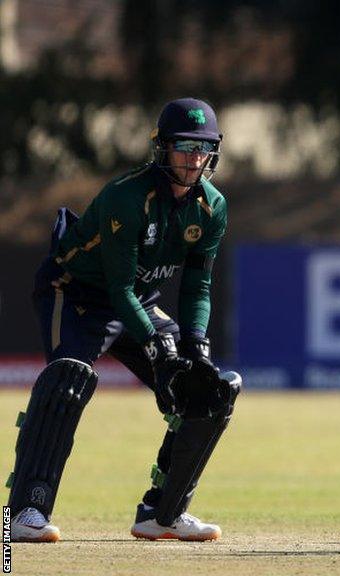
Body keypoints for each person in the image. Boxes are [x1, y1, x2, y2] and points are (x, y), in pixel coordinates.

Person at [7, 97, 241, 543]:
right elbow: (118, 289)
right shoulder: (126, 197)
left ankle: (162, 514)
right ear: (162, 148)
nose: (193, 160)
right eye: (183, 147)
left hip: (135, 299)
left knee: (208, 388)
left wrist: (193, 345)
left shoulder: (212, 207)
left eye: (202, 149)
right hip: (74, 290)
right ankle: (23, 512)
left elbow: (198, 288)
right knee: (67, 379)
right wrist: (157, 346)